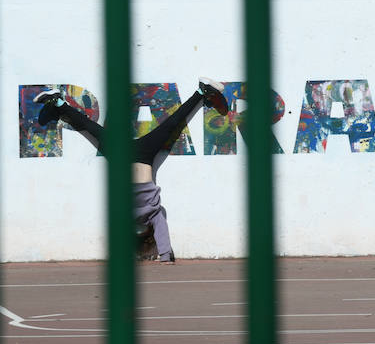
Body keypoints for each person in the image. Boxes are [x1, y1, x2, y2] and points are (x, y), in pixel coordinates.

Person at [34, 78, 230, 264]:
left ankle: (200, 91)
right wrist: (163, 255)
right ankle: (59, 103)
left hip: (136, 155)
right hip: (137, 156)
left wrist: (165, 255)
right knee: (92, 127)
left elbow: (154, 230)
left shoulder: (150, 215)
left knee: (171, 123)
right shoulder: (134, 214)